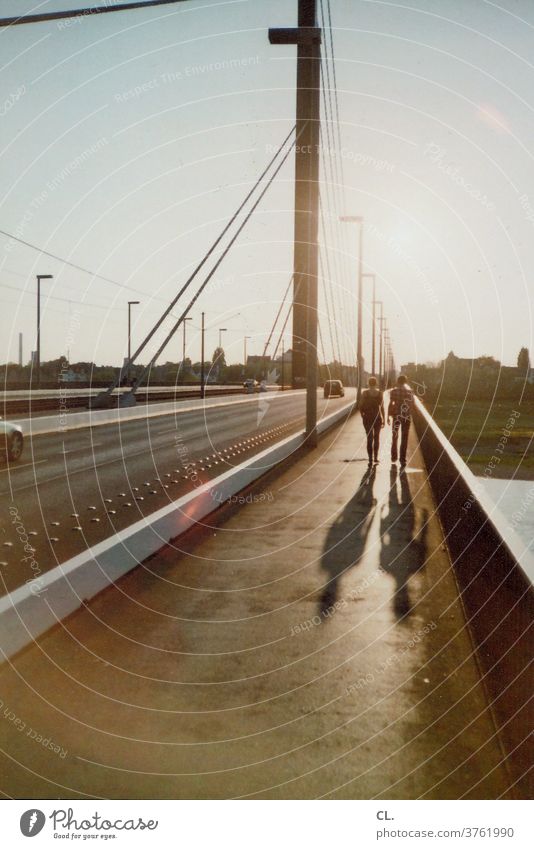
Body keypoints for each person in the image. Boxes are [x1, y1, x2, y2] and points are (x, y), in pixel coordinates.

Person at [387, 374, 414, 467]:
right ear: (405, 382)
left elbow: (391, 403)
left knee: (394, 436)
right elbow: (411, 404)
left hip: (396, 416)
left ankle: (394, 456)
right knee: (404, 437)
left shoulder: (393, 391)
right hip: (406, 417)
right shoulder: (410, 391)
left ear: (398, 381)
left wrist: (387, 416)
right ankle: (403, 459)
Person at [359, 376, 385, 465]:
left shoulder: (365, 393)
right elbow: (382, 407)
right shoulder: (380, 394)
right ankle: (376, 458)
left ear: (368, 383)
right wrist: (384, 419)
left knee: (369, 438)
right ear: (376, 383)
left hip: (367, 418)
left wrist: (362, 415)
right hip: (377, 418)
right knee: (376, 438)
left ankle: (370, 459)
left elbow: (360, 406)